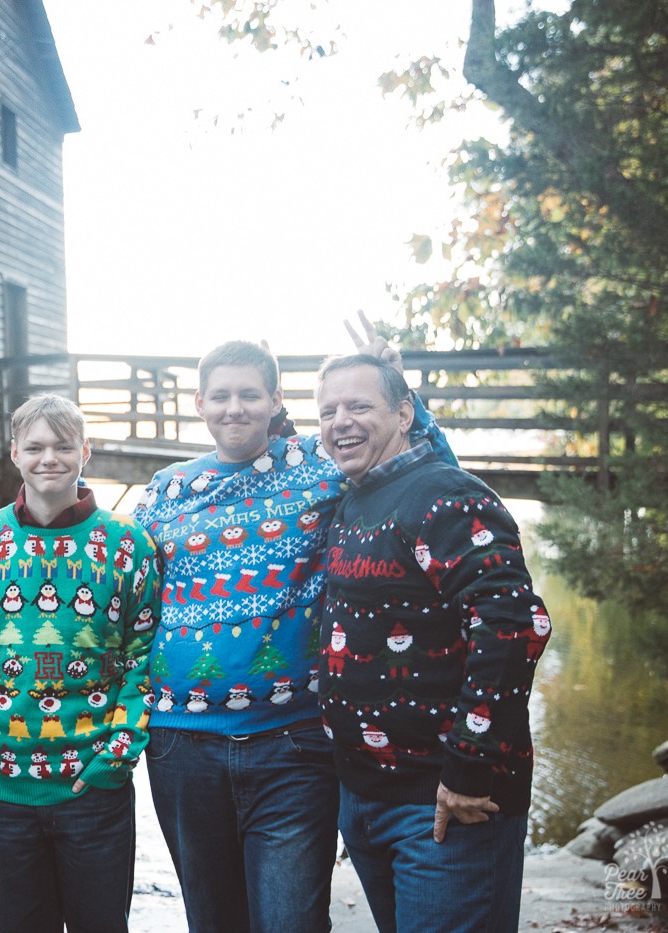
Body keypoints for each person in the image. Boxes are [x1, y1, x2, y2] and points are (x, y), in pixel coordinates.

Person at [131, 319, 454, 932]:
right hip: (180, 746)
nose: (235, 408)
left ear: (276, 401)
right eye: (220, 396)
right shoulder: (167, 490)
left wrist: (395, 386)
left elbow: (427, 471)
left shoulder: (317, 463)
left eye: (250, 394)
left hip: (293, 744)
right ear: (199, 404)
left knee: (291, 919)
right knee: (213, 920)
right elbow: (123, 591)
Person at [315, 354, 549, 932]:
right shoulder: (354, 498)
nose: (340, 421)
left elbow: (515, 626)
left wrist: (468, 769)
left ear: (404, 413)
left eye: (359, 405)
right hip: (367, 798)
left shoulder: (446, 495)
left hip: (446, 804)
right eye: (328, 411)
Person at [0, 394, 162, 932]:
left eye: (63, 446)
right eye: (36, 447)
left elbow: (143, 658)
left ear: (84, 451)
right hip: (2, 790)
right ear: (15, 452)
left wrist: (115, 758)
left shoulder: (128, 545)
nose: (50, 459)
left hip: (93, 790)